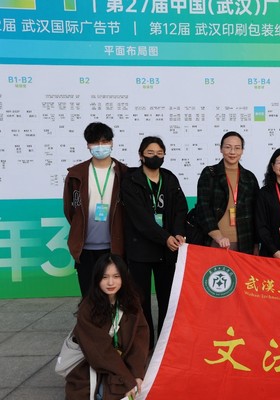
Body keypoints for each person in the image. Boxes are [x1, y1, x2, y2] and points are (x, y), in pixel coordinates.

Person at [121, 136, 188, 348]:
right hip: (140, 249)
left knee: (168, 298)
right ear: (141, 155)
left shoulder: (169, 178)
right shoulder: (131, 181)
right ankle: (145, 343)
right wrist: (165, 237)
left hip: (167, 250)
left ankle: (166, 343)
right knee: (140, 300)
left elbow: (180, 209)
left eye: (159, 153)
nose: (155, 156)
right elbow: (140, 218)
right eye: (150, 153)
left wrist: (178, 233)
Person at [65, 253, 149, 400]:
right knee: (105, 393)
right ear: (97, 279)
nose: (111, 282)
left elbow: (139, 340)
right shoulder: (88, 307)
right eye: (105, 277)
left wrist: (136, 374)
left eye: (116, 276)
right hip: (94, 364)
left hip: (124, 363)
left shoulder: (131, 302)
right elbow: (99, 351)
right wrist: (127, 380)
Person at [63, 122, 128, 297]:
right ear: (88, 145)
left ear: (112, 143)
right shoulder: (76, 174)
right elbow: (70, 210)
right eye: (95, 142)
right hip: (85, 247)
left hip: (115, 246)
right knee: (89, 295)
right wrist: (79, 227)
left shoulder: (124, 173)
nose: (100, 146)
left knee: (114, 296)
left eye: (105, 141)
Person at [196, 131, 260, 254]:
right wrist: (218, 236)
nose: (232, 152)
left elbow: (256, 214)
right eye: (228, 147)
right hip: (215, 242)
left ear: (242, 151)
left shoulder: (249, 178)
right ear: (221, 149)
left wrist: (256, 245)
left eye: (237, 148)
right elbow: (203, 208)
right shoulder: (210, 174)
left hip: (245, 243)